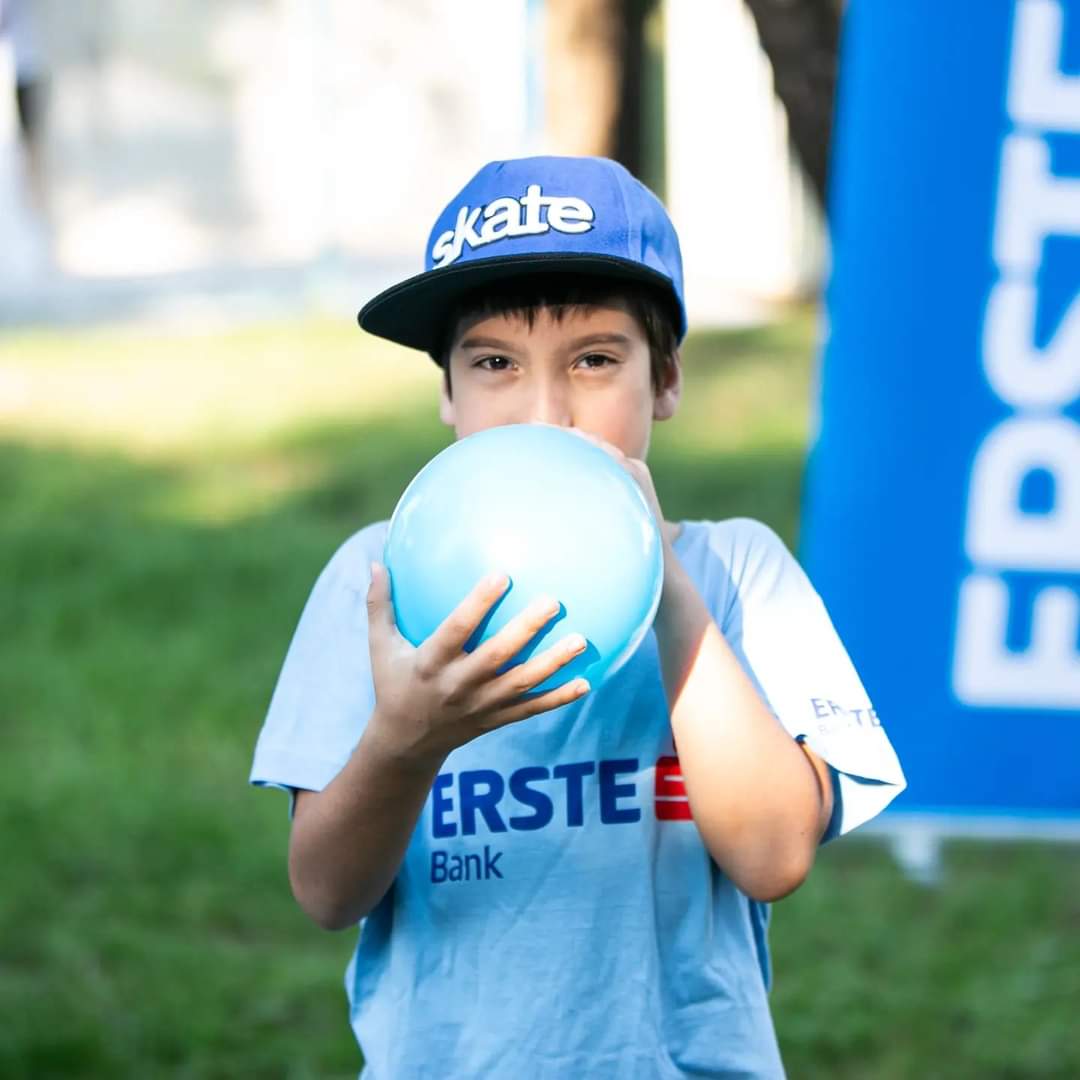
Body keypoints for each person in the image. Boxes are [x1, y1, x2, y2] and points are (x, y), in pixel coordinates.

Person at [249, 155, 906, 1078]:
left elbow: (772, 856)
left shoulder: (735, 570)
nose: (545, 412)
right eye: (493, 364)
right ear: (447, 392)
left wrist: (664, 586)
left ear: (666, 380)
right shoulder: (380, 581)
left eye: (595, 360)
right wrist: (407, 741)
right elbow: (325, 892)